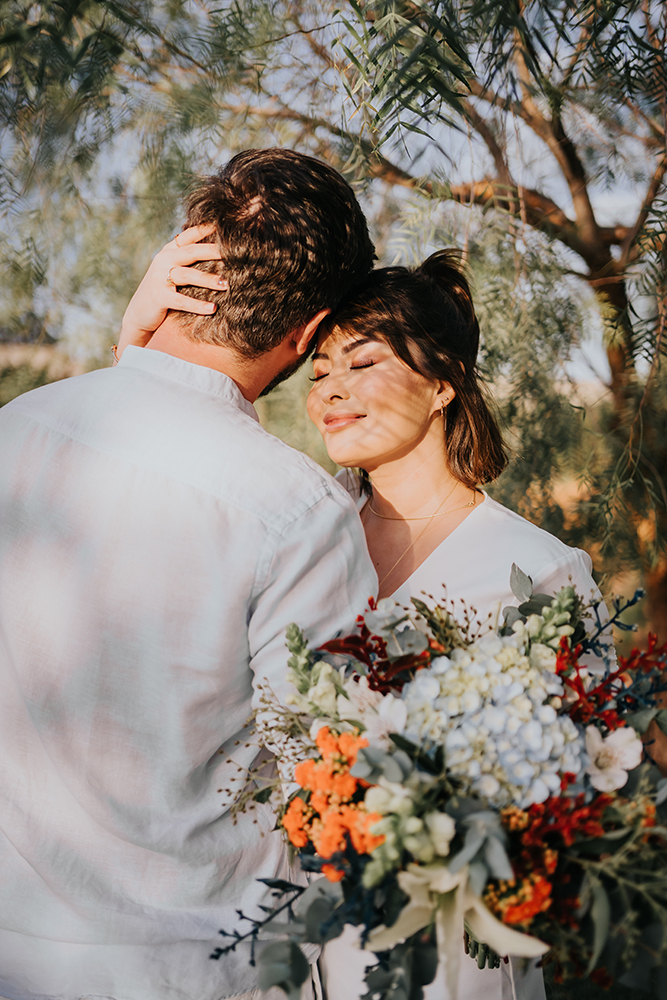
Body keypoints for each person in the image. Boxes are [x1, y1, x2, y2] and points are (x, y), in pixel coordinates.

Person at [118, 245, 608, 1000]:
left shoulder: (539, 573)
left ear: (442, 382)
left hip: (449, 962)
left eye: (362, 364)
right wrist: (135, 347)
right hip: (278, 953)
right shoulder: (293, 531)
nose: (329, 395)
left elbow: (583, 806)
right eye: (318, 374)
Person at [0, 148, 378, 1000]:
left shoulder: (19, 429)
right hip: (186, 974)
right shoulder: (299, 511)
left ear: (182, 261)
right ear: (310, 331)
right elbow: (334, 781)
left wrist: (125, 355)